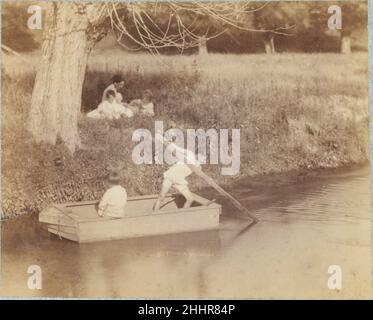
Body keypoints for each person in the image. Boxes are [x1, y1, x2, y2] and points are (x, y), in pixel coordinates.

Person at [153, 137, 215, 212]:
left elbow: (203, 175)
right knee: (161, 197)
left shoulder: (198, 166)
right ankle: (154, 214)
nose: (204, 160)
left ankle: (183, 216)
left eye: (205, 158)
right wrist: (167, 142)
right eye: (204, 157)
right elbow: (177, 149)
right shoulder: (190, 154)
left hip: (179, 180)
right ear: (199, 154)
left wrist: (209, 179)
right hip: (171, 175)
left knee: (190, 199)